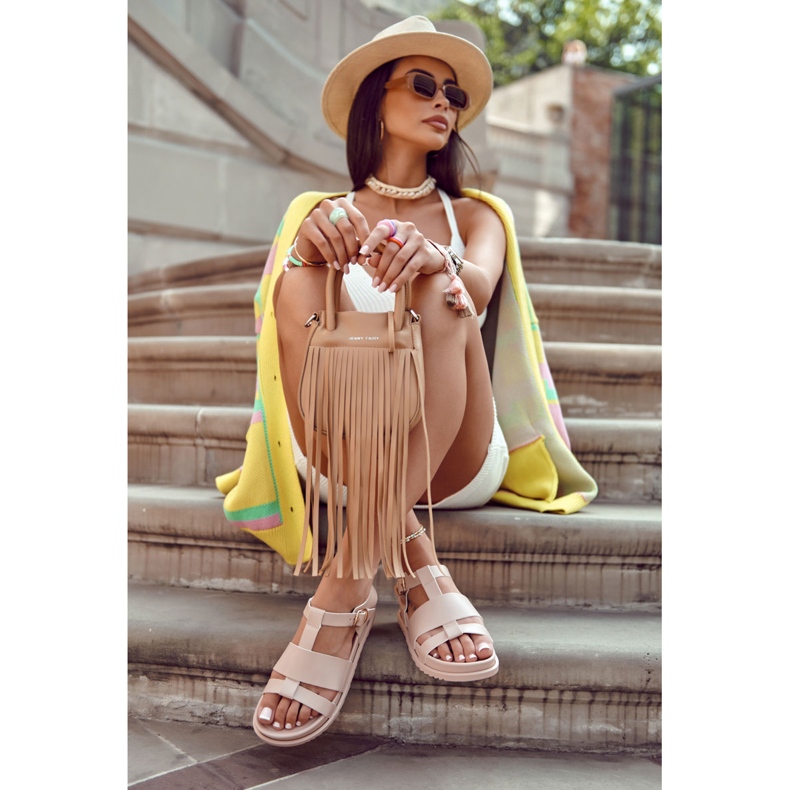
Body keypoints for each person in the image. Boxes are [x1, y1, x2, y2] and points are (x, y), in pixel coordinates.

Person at [215, 15, 597, 748]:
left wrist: (436, 259)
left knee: (441, 289)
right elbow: (284, 326)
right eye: (423, 85)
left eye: (454, 94)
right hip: (337, 444)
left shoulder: (479, 214)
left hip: (453, 453)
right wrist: (305, 253)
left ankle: (346, 579)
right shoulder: (318, 215)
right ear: (376, 100)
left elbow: (476, 289)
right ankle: (414, 557)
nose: (444, 102)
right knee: (299, 279)